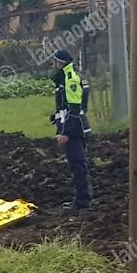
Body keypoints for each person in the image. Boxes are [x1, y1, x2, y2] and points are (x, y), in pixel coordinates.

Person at [50, 49, 92, 212]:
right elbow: (67, 106)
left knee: (78, 165)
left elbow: (74, 109)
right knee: (77, 165)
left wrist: (66, 133)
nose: (53, 65)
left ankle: (83, 201)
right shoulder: (67, 78)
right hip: (75, 128)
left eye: (55, 62)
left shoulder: (70, 79)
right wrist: (56, 117)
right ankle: (81, 198)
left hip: (75, 130)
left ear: (60, 63)